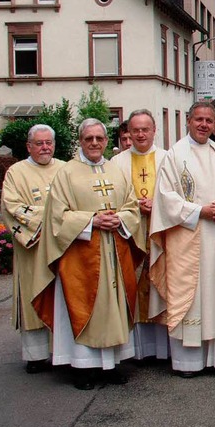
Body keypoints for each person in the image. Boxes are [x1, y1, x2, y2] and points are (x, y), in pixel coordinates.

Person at [31, 118, 144, 390]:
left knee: (113, 307)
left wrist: (120, 219)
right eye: (88, 139)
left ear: (106, 141)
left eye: (99, 138)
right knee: (85, 307)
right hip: (80, 256)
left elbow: (132, 208)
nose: (94, 143)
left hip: (114, 252)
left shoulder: (116, 171)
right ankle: (82, 367)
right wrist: (92, 221)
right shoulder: (67, 173)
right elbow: (57, 217)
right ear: (80, 141)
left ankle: (111, 365)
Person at [149, 102, 215, 377]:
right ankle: (188, 362)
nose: (204, 125)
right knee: (192, 296)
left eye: (209, 120)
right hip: (188, 236)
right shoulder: (174, 155)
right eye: (199, 120)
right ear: (189, 122)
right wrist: (200, 211)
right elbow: (166, 198)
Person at [1, 124, 65, 374]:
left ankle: (62, 351)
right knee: (34, 295)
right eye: (39, 143)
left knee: (62, 298)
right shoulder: (16, 173)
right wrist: (52, 217)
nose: (45, 147)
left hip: (61, 247)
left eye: (49, 142)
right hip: (33, 248)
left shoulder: (64, 169)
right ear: (29, 146)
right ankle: (36, 356)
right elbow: (11, 207)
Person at [110, 109, 169, 362]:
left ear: (155, 130)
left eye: (146, 129)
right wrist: (136, 205)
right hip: (131, 237)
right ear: (128, 134)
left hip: (161, 233)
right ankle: (136, 350)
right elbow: (111, 197)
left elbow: (179, 193)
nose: (141, 134)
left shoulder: (168, 158)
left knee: (160, 286)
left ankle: (162, 348)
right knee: (132, 285)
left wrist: (158, 203)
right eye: (136, 130)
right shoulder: (117, 163)